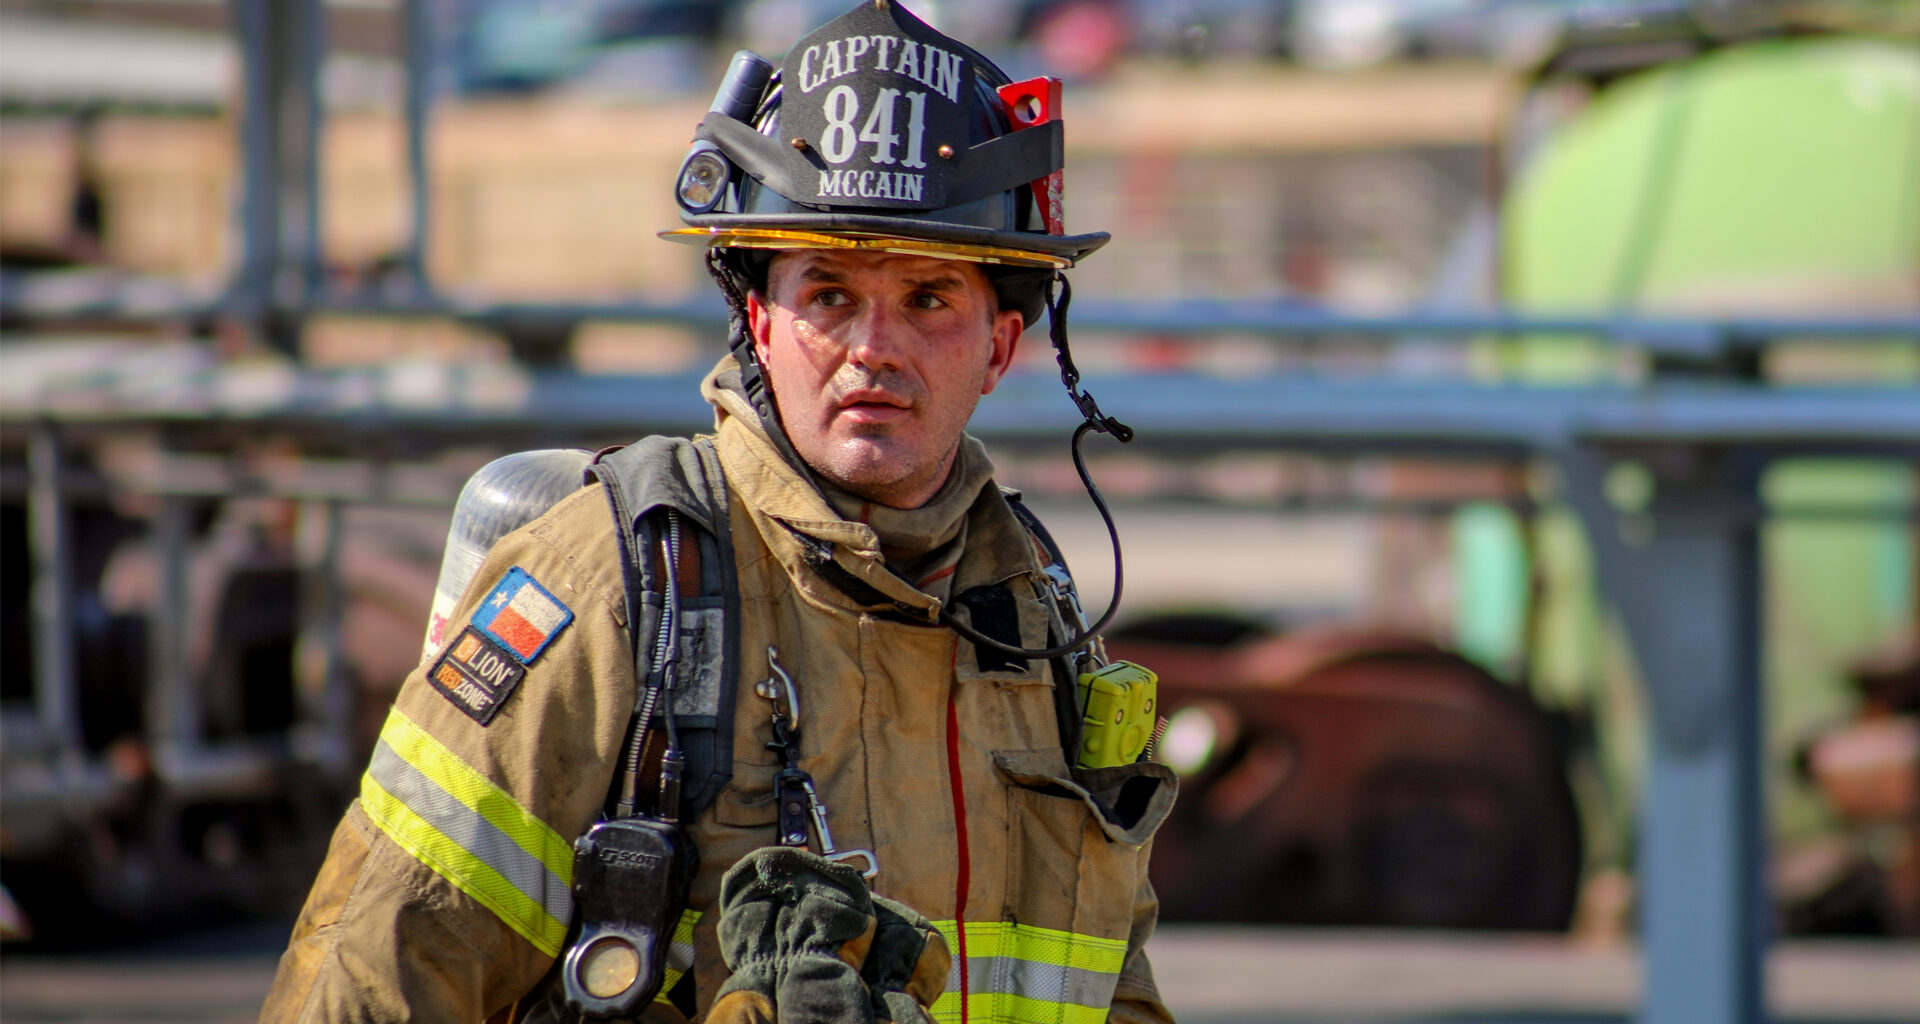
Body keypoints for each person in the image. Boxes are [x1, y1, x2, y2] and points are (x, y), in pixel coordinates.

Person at [261, 2, 1175, 1021]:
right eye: (828, 294)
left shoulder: (1032, 619)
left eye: (928, 299)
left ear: (1001, 347)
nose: (873, 346)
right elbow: (374, 978)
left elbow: (1110, 988)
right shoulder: (613, 584)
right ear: (757, 319)